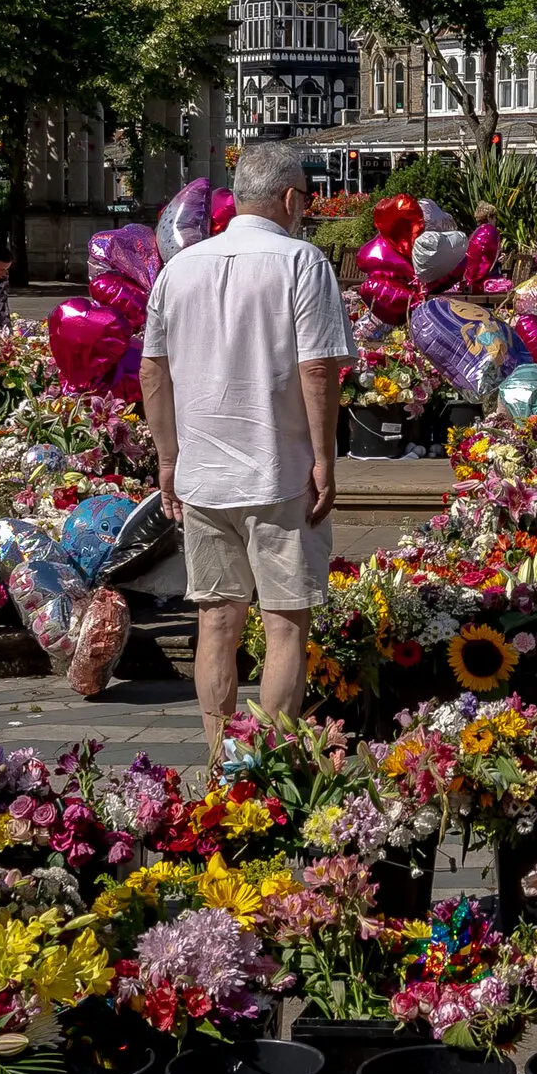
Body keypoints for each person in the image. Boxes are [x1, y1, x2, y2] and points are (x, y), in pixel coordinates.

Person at [140, 140, 355, 751]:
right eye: (305, 200)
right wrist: (324, 460)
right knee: (284, 624)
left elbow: (153, 371)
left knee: (216, 620)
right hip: (279, 470)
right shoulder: (302, 261)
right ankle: (267, 762)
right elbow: (318, 370)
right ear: (290, 197)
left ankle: (217, 761)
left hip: (204, 474)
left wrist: (168, 459)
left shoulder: (178, 267)